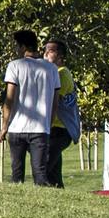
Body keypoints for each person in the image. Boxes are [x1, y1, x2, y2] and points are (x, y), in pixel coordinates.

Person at [1, 30, 60, 187]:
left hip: (16, 127)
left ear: (23, 46)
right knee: (40, 173)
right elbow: (55, 102)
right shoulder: (52, 69)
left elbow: (9, 99)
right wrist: (50, 122)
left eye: (16, 45)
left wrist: (4, 126)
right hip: (40, 128)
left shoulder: (14, 66)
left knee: (17, 173)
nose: (15, 49)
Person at [45, 36, 78, 189]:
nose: (45, 54)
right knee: (54, 173)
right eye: (44, 50)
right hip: (54, 129)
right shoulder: (55, 72)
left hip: (60, 130)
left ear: (60, 56)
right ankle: (59, 192)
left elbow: (52, 100)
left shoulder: (62, 74)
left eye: (50, 51)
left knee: (43, 167)